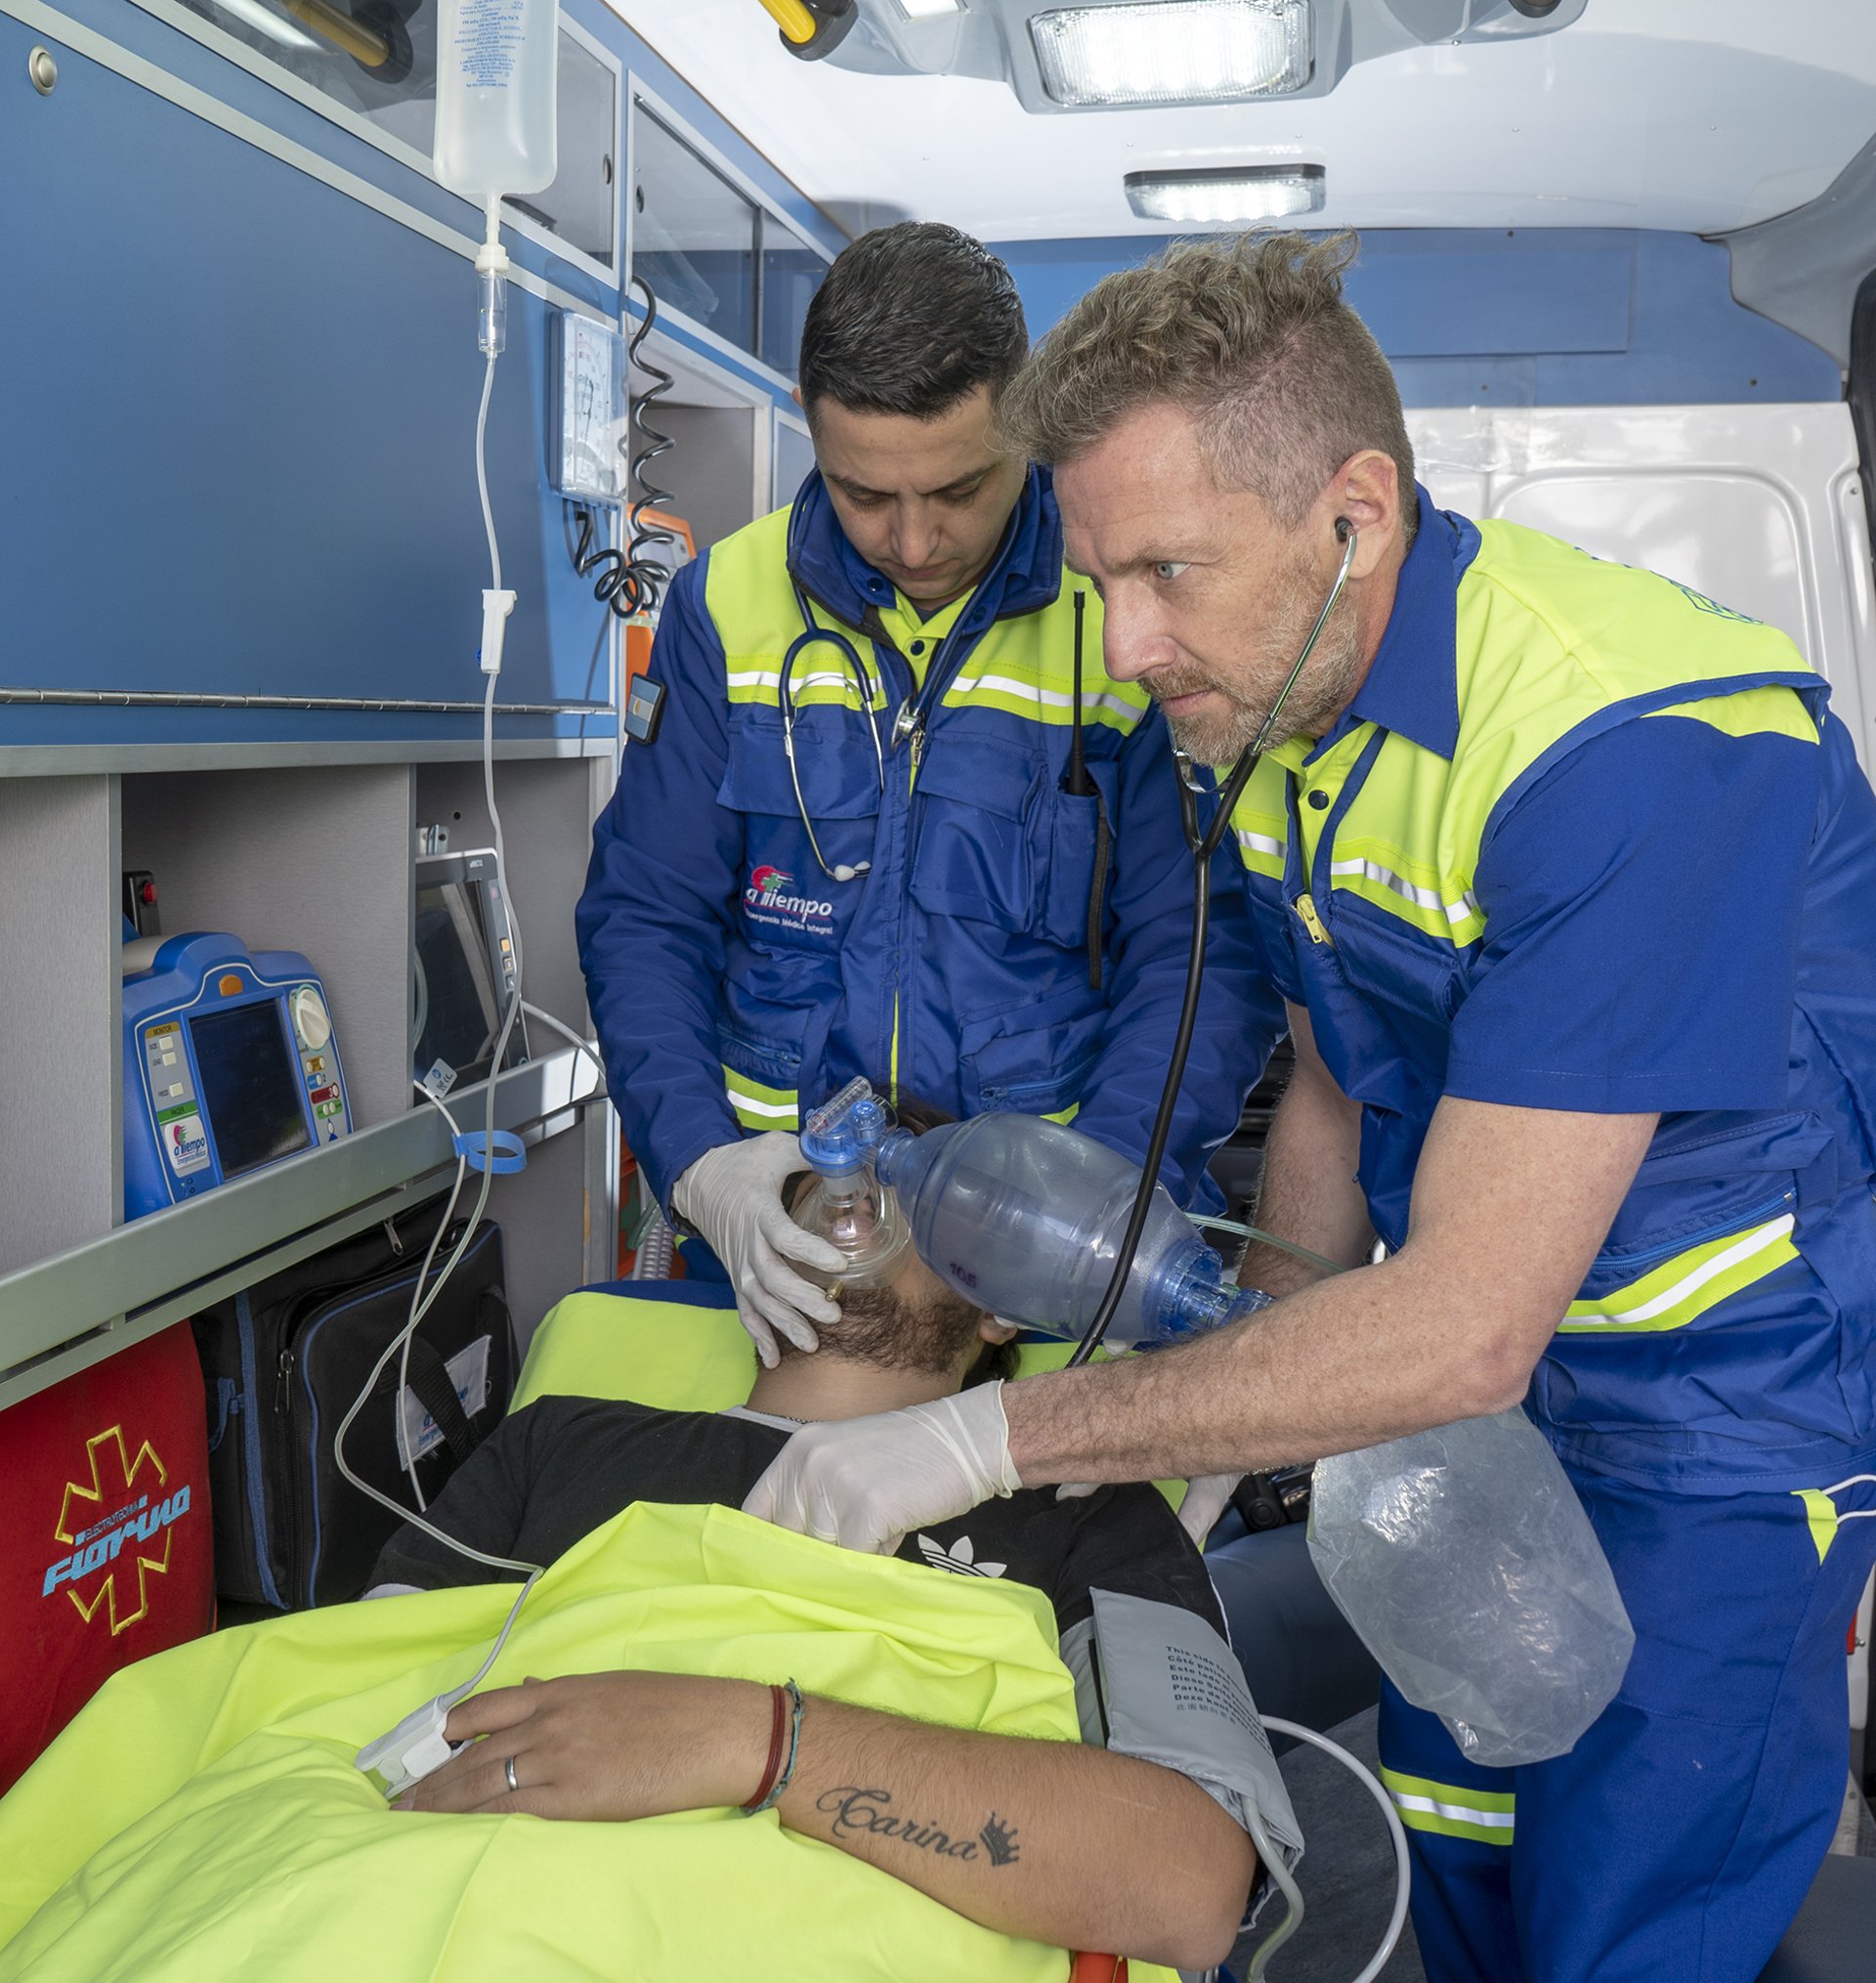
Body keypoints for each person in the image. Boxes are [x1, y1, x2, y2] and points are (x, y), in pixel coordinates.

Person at [743, 233, 1876, 1983]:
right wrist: (1233, 1412)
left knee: (1623, 1924)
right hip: (1470, 1442)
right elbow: (1343, 1080)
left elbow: (1466, 1320)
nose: (1125, 644)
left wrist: (987, 1440)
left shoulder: (1632, 746)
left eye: (1168, 571)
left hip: (1709, 1446)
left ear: (1354, 509)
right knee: (1451, 1866)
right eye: (1106, 576)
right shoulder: (1284, 723)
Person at [576, 221, 1278, 1367]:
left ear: (1026, 426)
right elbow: (644, 913)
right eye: (863, 496)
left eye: (958, 489)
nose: (912, 539)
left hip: (1048, 1257)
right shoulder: (727, 604)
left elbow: (1197, 953)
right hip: (782, 1241)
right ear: (811, 425)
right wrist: (701, 1164)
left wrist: (1086, 1212)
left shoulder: (1120, 611)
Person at [371, 1137, 1285, 1975]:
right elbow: (343, 1704)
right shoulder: (562, 1438)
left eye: (925, 1181)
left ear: (1003, 1303)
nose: (861, 1182)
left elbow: (1190, 1883)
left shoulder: (1083, 1500)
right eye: (819, 1170)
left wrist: (762, 1741)